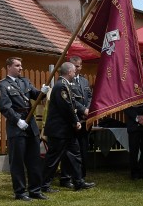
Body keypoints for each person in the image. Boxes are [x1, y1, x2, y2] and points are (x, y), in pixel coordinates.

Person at [0, 57, 50, 201]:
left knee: (34, 160)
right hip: (17, 126)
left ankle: (35, 190)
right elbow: (5, 107)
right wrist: (17, 120)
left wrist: (43, 92)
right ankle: (19, 192)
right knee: (17, 161)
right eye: (17, 65)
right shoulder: (2, 85)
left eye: (21, 65)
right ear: (9, 67)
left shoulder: (25, 81)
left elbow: (35, 95)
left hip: (30, 126)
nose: (21, 68)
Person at [41, 62, 95, 192]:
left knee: (75, 155)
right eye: (73, 71)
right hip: (59, 130)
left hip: (66, 131)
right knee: (53, 159)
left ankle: (78, 182)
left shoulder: (65, 85)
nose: (75, 72)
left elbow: (73, 103)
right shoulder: (61, 86)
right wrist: (75, 121)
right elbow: (66, 107)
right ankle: (44, 185)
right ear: (69, 72)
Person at [59, 56, 93, 188]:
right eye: (75, 66)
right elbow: (70, 100)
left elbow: (89, 96)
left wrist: (88, 109)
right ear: (70, 66)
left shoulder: (84, 81)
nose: (78, 68)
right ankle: (66, 177)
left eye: (80, 66)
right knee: (70, 151)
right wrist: (83, 110)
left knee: (83, 150)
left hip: (85, 120)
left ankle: (80, 176)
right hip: (73, 120)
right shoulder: (65, 81)